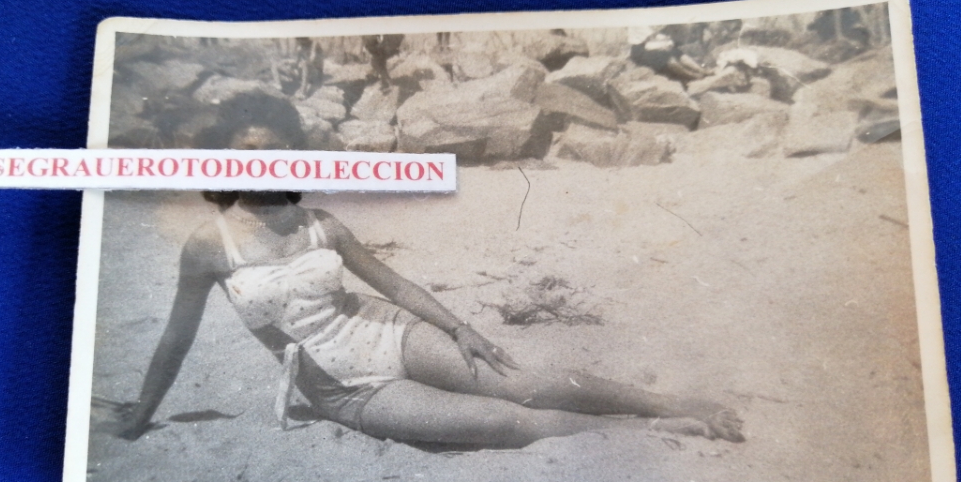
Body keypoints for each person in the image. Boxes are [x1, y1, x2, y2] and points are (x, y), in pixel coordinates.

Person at [113, 90, 743, 448]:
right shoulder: (207, 244)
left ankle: (663, 398)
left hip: (391, 334)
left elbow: (391, 283)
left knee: (522, 383)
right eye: (246, 154)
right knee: (500, 424)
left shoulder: (321, 223)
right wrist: (143, 412)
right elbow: (176, 336)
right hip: (342, 388)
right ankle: (657, 427)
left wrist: (461, 327)